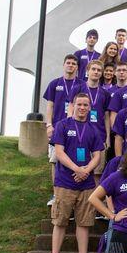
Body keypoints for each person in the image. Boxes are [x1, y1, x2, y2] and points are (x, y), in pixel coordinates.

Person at [46, 92, 105, 253]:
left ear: (89, 108)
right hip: (65, 181)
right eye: (79, 104)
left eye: (85, 105)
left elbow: (97, 155)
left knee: (84, 222)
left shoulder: (93, 130)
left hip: (86, 183)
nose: (82, 108)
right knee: (61, 220)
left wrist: (86, 170)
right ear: (73, 105)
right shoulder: (63, 125)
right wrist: (76, 169)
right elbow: (59, 153)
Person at [43, 55, 85, 206]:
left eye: (74, 63)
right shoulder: (55, 84)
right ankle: (56, 194)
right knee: (55, 160)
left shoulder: (81, 84)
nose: (71, 65)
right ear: (63, 64)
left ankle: (75, 195)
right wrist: (49, 125)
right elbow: (50, 106)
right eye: (68, 63)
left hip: (76, 127)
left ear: (77, 67)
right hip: (57, 127)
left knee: (74, 158)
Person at [70, 60, 110, 183]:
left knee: (97, 171)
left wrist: (108, 137)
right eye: (93, 69)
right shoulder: (78, 88)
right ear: (88, 70)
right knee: (76, 168)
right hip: (79, 134)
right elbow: (71, 108)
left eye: (99, 70)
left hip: (98, 135)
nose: (96, 72)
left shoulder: (105, 93)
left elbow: (106, 116)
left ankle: (93, 201)